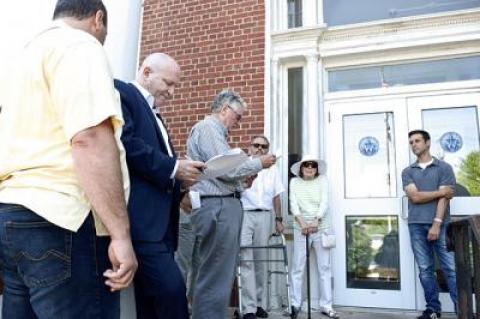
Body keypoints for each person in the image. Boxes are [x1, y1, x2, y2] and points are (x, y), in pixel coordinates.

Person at [0, 0, 138, 318]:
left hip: (12, 216)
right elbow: (89, 138)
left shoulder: (23, 59)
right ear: (98, 19)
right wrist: (120, 235)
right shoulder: (80, 45)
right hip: (62, 220)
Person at [114, 53, 205, 319]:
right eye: (168, 83)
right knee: (173, 296)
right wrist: (174, 168)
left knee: (150, 304)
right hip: (142, 224)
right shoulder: (122, 93)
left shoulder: (155, 114)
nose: (172, 92)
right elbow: (126, 144)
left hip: (161, 227)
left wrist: (181, 182)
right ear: (146, 72)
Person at [186, 89, 276, 319]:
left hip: (221, 205)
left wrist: (243, 182)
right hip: (217, 207)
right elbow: (226, 170)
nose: (238, 123)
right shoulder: (208, 129)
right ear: (225, 109)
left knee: (217, 273)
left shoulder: (215, 133)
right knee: (216, 275)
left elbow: (222, 174)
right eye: (238, 116)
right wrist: (258, 163)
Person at [402, 130, 457, 319]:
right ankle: (433, 309)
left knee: (450, 269)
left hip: (440, 224)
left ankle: (463, 310)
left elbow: (445, 200)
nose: (414, 144)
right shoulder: (408, 171)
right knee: (425, 270)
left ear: (428, 143)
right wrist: (441, 192)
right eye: (411, 142)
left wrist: (437, 223)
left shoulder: (444, 168)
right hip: (416, 225)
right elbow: (415, 197)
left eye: (417, 141)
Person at [239, 135, 285, 319]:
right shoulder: (243, 165)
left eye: (264, 147)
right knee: (246, 260)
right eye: (256, 145)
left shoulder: (273, 169)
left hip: (265, 216)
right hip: (245, 215)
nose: (260, 149)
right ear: (250, 148)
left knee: (260, 261)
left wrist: (279, 219)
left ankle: (259, 304)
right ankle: (248, 308)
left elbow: (276, 196)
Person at [289, 155, 339, 319]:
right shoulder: (294, 182)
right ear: (301, 168)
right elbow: (293, 203)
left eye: (313, 165)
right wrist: (302, 223)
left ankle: (326, 305)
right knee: (297, 267)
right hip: (300, 227)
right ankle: (295, 304)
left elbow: (324, 201)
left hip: (321, 226)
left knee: (324, 267)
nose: (310, 168)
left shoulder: (322, 180)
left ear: (316, 168)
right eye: (306, 165)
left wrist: (316, 220)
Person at [175, 194, 201, 312]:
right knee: (182, 265)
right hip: (186, 214)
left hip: (202, 215)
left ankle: (191, 302)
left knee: (198, 265)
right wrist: (181, 198)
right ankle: (179, 304)